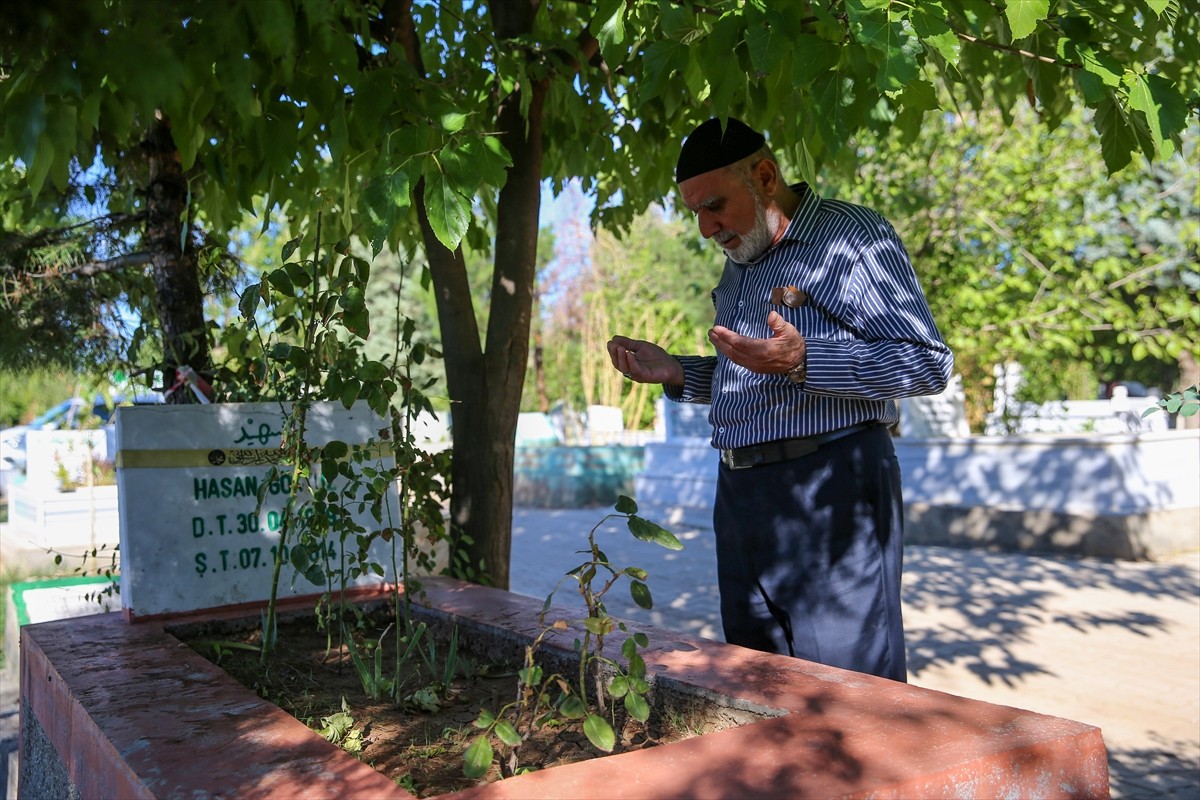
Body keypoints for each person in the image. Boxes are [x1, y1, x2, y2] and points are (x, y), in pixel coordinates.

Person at [607, 117, 953, 682]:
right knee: (759, 685)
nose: (705, 228)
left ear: (765, 176)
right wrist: (678, 373)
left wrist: (805, 361)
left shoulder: (851, 237)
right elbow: (753, 377)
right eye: (695, 212)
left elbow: (926, 362)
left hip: (830, 486)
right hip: (741, 496)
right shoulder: (742, 257)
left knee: (845, 693)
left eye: (714, 205)